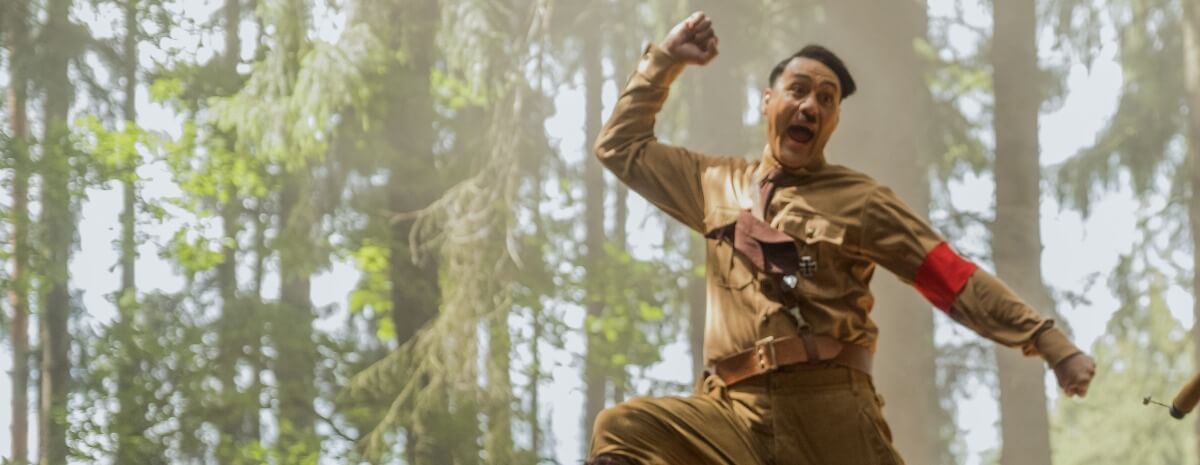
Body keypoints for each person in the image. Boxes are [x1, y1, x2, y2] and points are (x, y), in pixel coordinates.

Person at [587, 11, 1096, 465]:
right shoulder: (712, 183)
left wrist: (1049, 343)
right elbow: (619, 147)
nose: (810, 105)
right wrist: (665, 60)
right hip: (733, 417)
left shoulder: (861, 200)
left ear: (832, 121)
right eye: (798, 90)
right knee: (623, 430)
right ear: (768, 101)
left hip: (830, 413)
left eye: (825, 99)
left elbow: (952, 278)